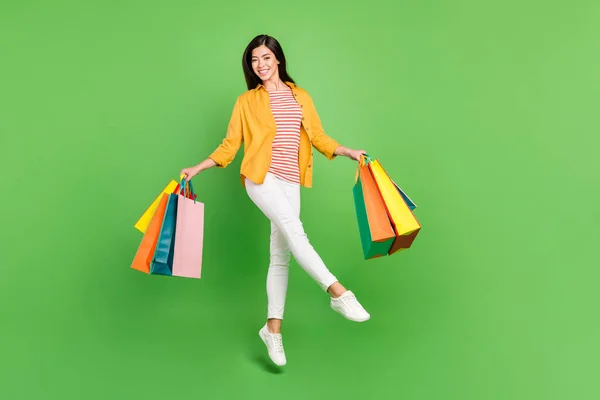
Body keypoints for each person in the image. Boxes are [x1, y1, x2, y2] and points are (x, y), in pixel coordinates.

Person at [180, 34, 370, 367]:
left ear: (278, 59)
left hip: (292, 180)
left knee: (280, 254)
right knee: (297, 234)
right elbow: (230, 145)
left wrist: (348, 152)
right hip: (260, 178)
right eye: (254, 60)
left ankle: (272, 330)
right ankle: (338, 293)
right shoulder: (246, 101)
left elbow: (319, 137)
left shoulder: (300, 97)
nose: (260, 65)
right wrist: (198, 167)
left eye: (266, 58)